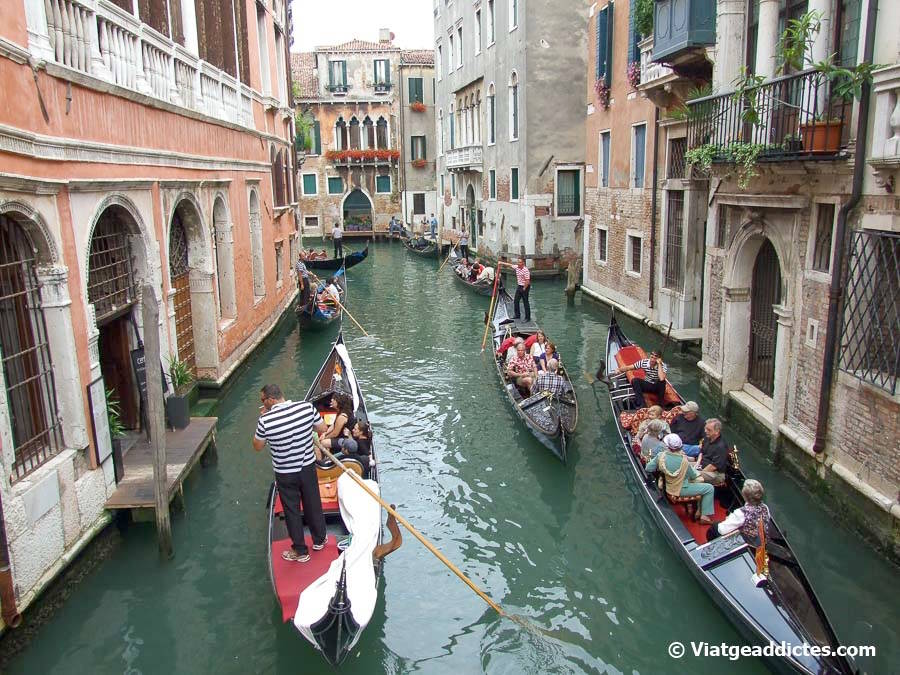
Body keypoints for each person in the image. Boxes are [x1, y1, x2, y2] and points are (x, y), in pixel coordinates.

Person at [253, 384, 328, 562]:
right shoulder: (306, 407)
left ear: (271, 400)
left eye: (263, 400)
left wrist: (265, 417)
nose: (262, 404)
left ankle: (301, 552)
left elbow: (257, 446)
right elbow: (322, 429)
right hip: (307, 468)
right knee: (313, 503)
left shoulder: (266, 420)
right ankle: (319, 540)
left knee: (292, 510)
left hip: (285, 473)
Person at [645, 434, 716, 524]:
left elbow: (648, 468)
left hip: (666, 487)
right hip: (681, 490)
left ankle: (696, 509)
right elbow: (693, 476)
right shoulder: (684, 461)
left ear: (668, 447)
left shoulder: (660, 456)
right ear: (679, 447)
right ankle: (704, 517)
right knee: (709, 488)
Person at [707, 479, 770, 545]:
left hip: (747, 541)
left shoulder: (741, 513)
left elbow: (722, 530)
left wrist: (728, 519)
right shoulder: (765, 507)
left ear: (744, 496)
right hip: (759, 538)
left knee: (714, 528)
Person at [684, 418, 729, 485]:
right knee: (682, 466)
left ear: (717, 431)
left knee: (689, 475)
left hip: (715, 473)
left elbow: (713, 466)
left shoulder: (721, 447)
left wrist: (697, 472)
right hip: (701, 465)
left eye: (709, 430)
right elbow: (701, 453)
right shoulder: (707, 438)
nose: (705, 431)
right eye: (705, 428)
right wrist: (697, 463)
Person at [513, 258, 531, 322]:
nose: (518, 263)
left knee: (525, 302)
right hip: (519, 286)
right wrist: (500, 263)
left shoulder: (526, 270)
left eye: (520, 262)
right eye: (518, 262)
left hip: (525, 286)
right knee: (516, 301)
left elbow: (527, 281)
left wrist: (524, 288)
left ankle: (527, 318)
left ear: (523, 263)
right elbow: (509, 265)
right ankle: (517, 315)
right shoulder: (517, 267)